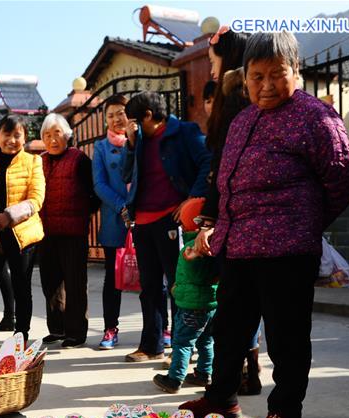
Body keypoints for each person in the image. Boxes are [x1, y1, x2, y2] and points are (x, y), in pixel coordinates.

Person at [182, 32, 349, 418]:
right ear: (245, 79)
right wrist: (214, 227)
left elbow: (343, 178)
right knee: (229, 329)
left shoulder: (316, 117)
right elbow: (225, 183)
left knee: (286, 335)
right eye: (257, 76)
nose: (266, 86)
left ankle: (285, 410)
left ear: (296, 71)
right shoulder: (244, 118)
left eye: (277, 75)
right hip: (238, 246)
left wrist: (305, 220)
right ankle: (222, 398)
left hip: (287, 249)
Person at [121, 92, 211, 363]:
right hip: (143, 222)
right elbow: (126, 174)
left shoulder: (184, 131)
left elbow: (207, 161)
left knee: (179, 285)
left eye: (133, 121)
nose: (130, 126)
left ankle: (185, 347)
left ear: (148, 115)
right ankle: (151, 346)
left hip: (171, 222)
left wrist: (191, 200)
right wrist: (130, 143)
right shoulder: (139, 140)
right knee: (149, 287)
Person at [196, 27, 262, 396]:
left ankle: (233, 381)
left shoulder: (235, 94)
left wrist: (210, 218)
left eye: (212, 60)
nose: (211, 68)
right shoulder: (246, 93)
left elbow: (222, 164)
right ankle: (248, 371)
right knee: (245, 301)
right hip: (244, 214)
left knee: (235, 303)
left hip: (236, 216)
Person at [0, 114, 46, 341]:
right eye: (7, 134)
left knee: (21, 286)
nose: (12, 140)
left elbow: (36, 199)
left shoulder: (33, 162)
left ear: (25, 137)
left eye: (17, 135)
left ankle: (21, 335)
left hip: (21, 234)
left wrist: (9, 216)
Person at [38, 113, 95, 348]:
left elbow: (94, 192)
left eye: (57, 134)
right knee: (50, 283)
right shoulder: (38, 161)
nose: (52, 140)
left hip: (73, 231)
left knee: (74, 283)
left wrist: (84, 212)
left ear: (67, 135)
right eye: (47, 135)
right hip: (46, 232)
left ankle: (76, 331)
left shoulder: (79, 159)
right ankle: (58, 328)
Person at [153, 198, 217, 393]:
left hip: (191, 304)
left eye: (182, 221)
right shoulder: (213, 242)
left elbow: (192, 277)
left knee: (182, 342)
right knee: (206, 340)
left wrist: (177, 289)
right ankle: (204, 373)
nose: (180, 225)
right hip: (210, 304)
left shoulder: (192, 247)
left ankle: (174, 379)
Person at [92, 95, 131, 350]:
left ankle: (161, 327)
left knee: (154, 277)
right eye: (111, 115)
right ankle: (110, 328)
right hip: (114, 221)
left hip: (145, 217)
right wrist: (122, 206)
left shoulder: (141, 142)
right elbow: (99, 184)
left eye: (121, 113)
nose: (117, 119)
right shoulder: (101, 148)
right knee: (112, 278)